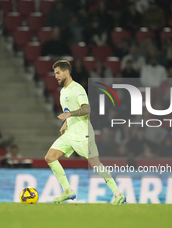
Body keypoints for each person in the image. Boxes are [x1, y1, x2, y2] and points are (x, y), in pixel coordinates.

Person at [44, 60, 126, 204]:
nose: (55, 76)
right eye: (55, 73)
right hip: (70, 133)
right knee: (50, 157)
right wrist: (66, 123)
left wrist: (69, 116)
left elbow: (86, 109)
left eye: (58, 73)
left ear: (66, 72)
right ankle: (68, 191)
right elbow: (69, 110)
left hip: (83, 133)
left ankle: (118, 193)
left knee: (95, 163)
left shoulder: (77, 89)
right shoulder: (63, 91)